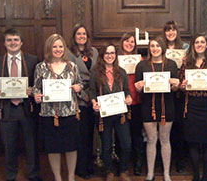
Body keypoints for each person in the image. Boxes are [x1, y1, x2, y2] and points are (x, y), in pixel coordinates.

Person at [0, 28, 41, 181]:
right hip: (7, 109)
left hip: (27, 108)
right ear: (5, 43)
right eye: (9, 40)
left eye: (16, 40)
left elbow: (40, 83)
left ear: (21, 42)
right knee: (9, 146)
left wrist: (34, 90)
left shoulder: (32, 60)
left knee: (31, 146)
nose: (13, 43)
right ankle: (11, 176)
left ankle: (33, 175)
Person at [33, 34, 82, 181]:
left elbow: (80, 84)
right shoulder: (41, 67)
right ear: (49, 48)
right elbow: (36, 88)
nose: (58, 49)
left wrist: (78, 88)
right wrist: (37, 96)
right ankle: (58, 177)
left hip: (70, 113)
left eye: (61, 46)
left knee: (71, 147)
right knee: (52, 148)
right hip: (49, 114)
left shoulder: (71, 66)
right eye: (55, 46)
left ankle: (71, 176)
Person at [179, 33, 207, 181]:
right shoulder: (186, 62)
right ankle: (196, 176)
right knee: (192, 142)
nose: (199, 44)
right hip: (191, 106)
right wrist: (183, 85)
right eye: (196, 42)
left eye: (202, 42)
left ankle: (205, 175)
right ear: (193, 45)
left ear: (206, 45)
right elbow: (180, 85)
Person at [135, 36, 179, 181]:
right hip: (148, 107)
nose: (155, 49)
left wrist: (175, 85)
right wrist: (138, 87)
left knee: (165, 139)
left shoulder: (171, 65)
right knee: (151, 139)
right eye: (152, 46)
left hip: (167, 106)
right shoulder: (141, 66)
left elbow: (175, 89)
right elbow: (138, 90)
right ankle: (150, 173)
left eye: (158, 46)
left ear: (163, 48)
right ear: (149, 48)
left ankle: (166, 173)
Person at [89, 43, 133, 181]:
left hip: (120, 114)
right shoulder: (95, 72)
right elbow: (92, 91)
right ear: (102, 55)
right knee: (106, 145)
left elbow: (126, 90)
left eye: (112, 53)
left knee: (126, 144)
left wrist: (129, 97)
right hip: (104, 115)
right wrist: (93, 103)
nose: (110, 56)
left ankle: (123, 170)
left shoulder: (121, 72)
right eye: (107, 53)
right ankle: (109, 171)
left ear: (116, 55)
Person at [68, 24, 99, 179]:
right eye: (78, 34)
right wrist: (82, 94)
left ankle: (89, 164)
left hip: (92, 96)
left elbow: (98, 73)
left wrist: (91, 95)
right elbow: (69, 78)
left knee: (91, 134)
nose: (81, 36)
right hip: (77, 99)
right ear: (74, 36)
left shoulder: (94, 52)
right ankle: (81, 167)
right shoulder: (68, 54)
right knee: (80, 135)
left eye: (84, 34)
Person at [162, 20, 189, 173]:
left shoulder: (185, 48)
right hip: (166, 91)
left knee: (180, 126)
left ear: (177, 32)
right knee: (166, 127)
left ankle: (180, 159)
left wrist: (186, 61)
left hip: (181, 92)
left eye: (173, 29)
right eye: (167, 30)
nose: (170, 32)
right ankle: (166, 159)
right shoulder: (160, 47)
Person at [118, 32, 144, 176]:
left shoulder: (140, 59)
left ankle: (138, 162)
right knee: (121, 135)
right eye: (127, 41)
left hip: (137, 101)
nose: (129, 44)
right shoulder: (116, 60)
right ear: (122, 42)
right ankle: (122, 164)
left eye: (132, 42)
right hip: (120, 102)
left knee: (136, 134)